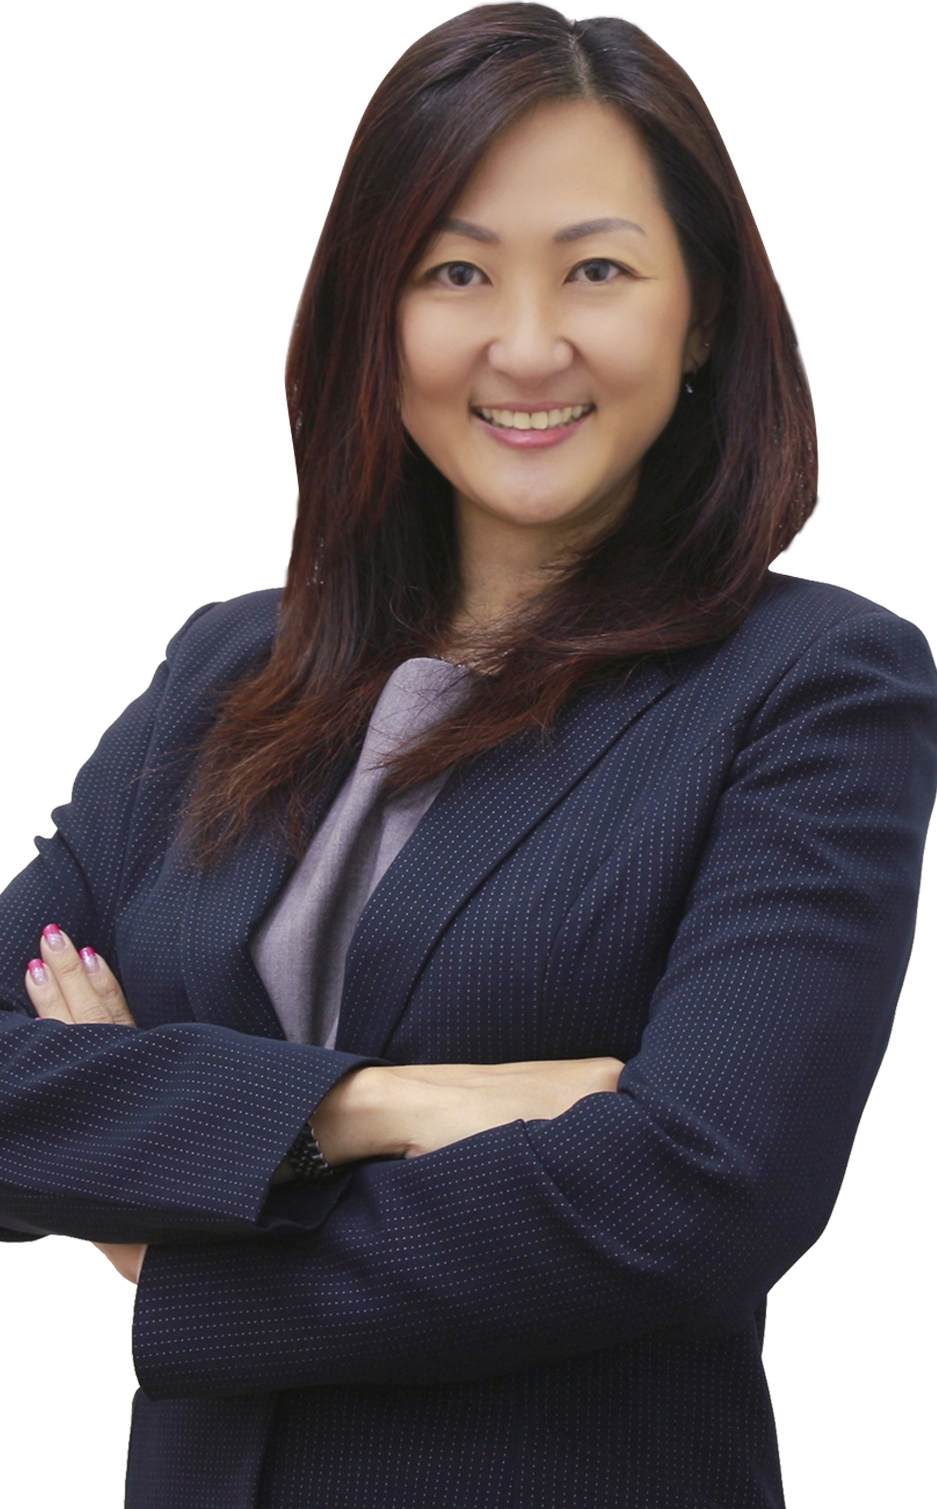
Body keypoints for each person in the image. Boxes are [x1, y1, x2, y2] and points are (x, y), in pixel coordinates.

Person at [1, 4, 935, 1506]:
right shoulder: (226, 671)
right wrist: (355, 1111)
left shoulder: (812, 684)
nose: (526, 343)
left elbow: (696, 1192)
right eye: (456, 272)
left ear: (700, 315)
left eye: (597, 271)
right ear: (375, 314)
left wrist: (167, 1236)